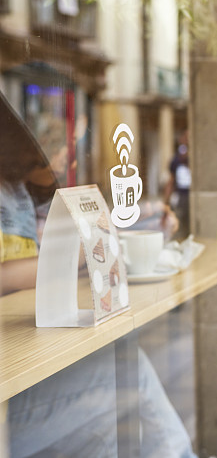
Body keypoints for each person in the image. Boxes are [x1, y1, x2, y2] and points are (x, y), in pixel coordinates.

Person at [0, 90, 196, 457]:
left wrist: (130, 224)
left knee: (107, 404)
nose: (63, 159)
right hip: (11, 392)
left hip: (21, 362)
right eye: (61, 149)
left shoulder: (19, 189)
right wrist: (82, 252)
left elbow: (37, 244)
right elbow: (12, 270)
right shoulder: (18, 188)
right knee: (122, 372)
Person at [163, 131, 191, 239]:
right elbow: (171, 180)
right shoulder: (176, 159)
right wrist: (167, 199)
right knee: (180, 221)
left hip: (191, 194)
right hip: (181, 195)